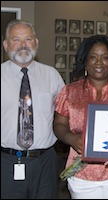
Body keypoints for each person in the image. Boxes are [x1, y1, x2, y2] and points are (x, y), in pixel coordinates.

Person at [53, 35, 108, 199]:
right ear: (85, 61)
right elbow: (59, 124)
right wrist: (71, 138)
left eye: (105, 58)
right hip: (81, 174)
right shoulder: (69, 91)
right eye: (93, 57)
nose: (99, 62)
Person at [1, 19, 65, 199]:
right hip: (6, 162)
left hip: (45, 162)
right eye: (16, 40)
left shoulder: (51, 75)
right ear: (6, 45)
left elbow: (67, 114)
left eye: (28, 39)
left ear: (36, 43)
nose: (23, 45)